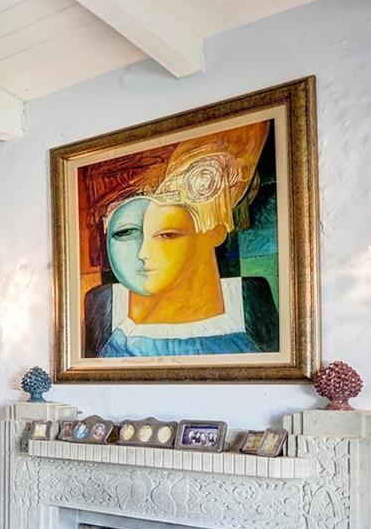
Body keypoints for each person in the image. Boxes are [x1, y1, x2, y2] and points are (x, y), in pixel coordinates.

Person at [83, 124, 278, 359]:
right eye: (126, 232)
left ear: (215, 232)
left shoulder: (248, 301)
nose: (143, 252)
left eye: (167, 235)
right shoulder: (105, 305)